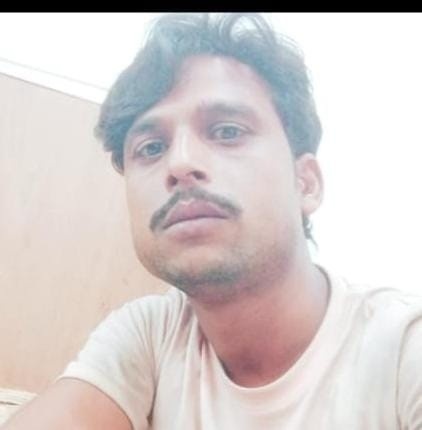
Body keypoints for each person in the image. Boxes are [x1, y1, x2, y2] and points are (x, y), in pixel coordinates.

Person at [3, 12, 422, 430]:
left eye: (227, 131)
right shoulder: (152, 334)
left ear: (306, 183)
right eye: (151, 148)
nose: (180, 163)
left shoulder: (403, 349)